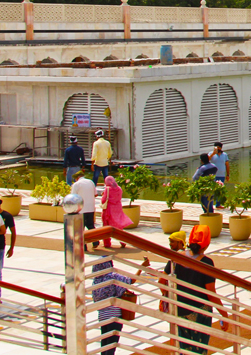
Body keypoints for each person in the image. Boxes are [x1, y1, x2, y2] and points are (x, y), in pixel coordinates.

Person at [163, 224, 229, 354]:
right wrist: (224, 314)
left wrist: (165, 298)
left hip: (180, 309)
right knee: (198, 349)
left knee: (184, 348)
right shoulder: (206, 263)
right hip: (199, 313)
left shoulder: (176, 257)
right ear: (207, 243)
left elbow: (162, 280)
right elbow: (210, 293)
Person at [91, 256, 148, 355]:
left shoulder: (95, 281)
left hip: (102, 317)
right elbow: (131, 280)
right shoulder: (111, 276)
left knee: (104, 346)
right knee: (111, 347)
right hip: (114, 316)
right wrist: (142, 267)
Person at [100, 176, 133, 248]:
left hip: (109, 209)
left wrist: (102, 196)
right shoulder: (119, 188)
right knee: (118, 225)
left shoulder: (107, 189)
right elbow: (119, 198)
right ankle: (122, 241)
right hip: (117, 208)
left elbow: (104, 200)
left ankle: (107, 243)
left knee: (106, 226)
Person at [71, 171, 98, 250]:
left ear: (77, 178)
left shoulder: (76, 185)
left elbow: (73, 197)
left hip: (81, 209)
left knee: (80, 228)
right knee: (91, 226)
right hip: (91, 208)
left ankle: (83, 246)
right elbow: (95, 194)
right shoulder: (90, 182)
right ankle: (95, 241)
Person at [210, 143, 230, 209]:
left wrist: (228, 175)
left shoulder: (224, 155)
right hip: (213, 175)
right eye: (216, 147)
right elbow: (206, 160)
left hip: (221, 175)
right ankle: (210, 204)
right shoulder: (211, 153)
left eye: (219, 147)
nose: (218, 149)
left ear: (221, 148)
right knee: (212, 190)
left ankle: (218, 204)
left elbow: (227, 165)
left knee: (219, 190)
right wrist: (213, 153)